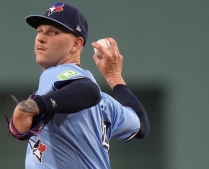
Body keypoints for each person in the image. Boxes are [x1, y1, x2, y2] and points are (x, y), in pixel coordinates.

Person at [8, 2, 150, 169]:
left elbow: (88, 90)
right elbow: (141, 125)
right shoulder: (105, 103)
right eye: (40, 31)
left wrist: (37, 105)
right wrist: (114, 77)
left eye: (53, 32)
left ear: (76, 44)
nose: (41, 37)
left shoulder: (57, 75)